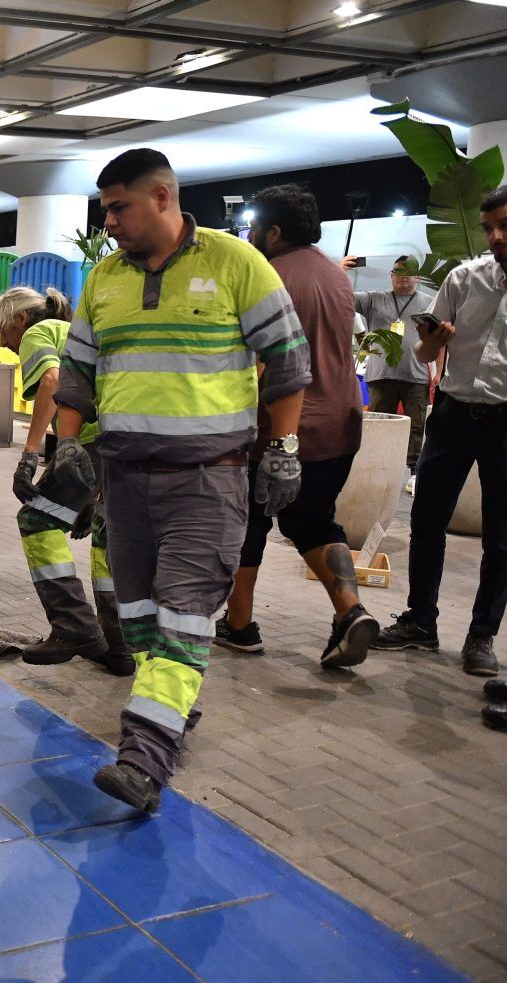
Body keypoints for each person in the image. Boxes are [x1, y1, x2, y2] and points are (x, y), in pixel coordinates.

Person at [54, 149, 310, 813]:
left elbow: (287, 365)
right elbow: (77, 375)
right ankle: (172, 705)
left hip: (207, 482)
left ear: (163, 196)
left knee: (183, 619)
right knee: (137, 621)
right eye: (104, 208)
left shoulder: (235, 263)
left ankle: (144, 758)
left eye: (119, 207)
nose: (107, 221)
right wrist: (63, 447)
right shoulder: (105, 279)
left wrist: (283, 449)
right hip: (123, 482)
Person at [217, 184, 374, 668]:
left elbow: (257, 365)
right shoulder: (334, 274)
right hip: (340, 427)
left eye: (255, 227)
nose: (250, 235)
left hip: (278, 430)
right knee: (313, 520)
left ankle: (239, 625)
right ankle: (350, 611)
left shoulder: (266, 276)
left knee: (247, 524)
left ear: (274, 232)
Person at [374, 187, 507, 678]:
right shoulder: (465, 277)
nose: (494, 237)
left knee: (501, 537)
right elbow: (427, 358)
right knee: (427, 520)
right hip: (452, 413)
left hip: (504, 423)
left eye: (504, 226)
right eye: (489, 226)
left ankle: (481, 635)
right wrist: (433, 344)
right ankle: (421, 622)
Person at [0, 285, 133, 676]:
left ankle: (74, 627)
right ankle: (118, 647)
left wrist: (29, 456)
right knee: (106, 540)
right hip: (124, 441)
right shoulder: (74, 330)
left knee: (36, 519)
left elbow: (52, 382)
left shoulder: (38, 331)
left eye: (3, 331)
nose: (5, 343)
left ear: (19, 319)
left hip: (91, 444)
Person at [343, 253, 435, 478]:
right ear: (391, 276)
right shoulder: (375, 298)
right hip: (380, 375)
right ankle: (373, 468)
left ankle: (414, 472)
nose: (402, 278)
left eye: (408, 273)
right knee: (378, 424)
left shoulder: (430, 303)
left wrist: (438, 374)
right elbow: (341, 297)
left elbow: (439, 341)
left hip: (416, 375)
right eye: (397, 273)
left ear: (418, 278)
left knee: (416, 427)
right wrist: (342, 271)